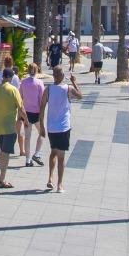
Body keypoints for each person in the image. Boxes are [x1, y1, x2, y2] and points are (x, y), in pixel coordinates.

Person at [42, 64, 82, 193]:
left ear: (53, 76)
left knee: (53, 152)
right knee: (61, 156)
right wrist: (74, 82)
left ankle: (50, 178)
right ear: (63, 76)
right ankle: (59, 185)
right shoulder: (68, 88)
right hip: (64, 127)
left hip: (51, 127)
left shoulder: (48, 89)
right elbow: (80, 96)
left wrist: (41, 125)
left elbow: (42, 107)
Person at [0, 66, 23, 189]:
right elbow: (21, 107)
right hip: (9, 126)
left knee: (2, 152)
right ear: (10, 77)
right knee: (5, 153)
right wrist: (26, 121)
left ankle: (2, 177)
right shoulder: (14, 90)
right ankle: (2, 179)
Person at [18, 62, 47, 165]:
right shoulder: (39, 83)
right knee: (42, 133)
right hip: (37, 112)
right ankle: (37, 153)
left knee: (27, 136)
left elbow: (20, 97)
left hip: (26, 112)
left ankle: (27, 160)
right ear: (37, 71)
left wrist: (20, 112)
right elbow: (42, 99)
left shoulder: (23, 82)